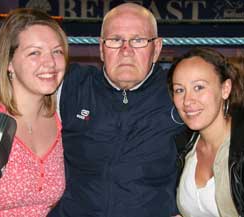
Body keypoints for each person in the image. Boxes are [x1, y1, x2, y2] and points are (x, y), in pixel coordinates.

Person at [49, 3, 184, 217]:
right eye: (115, 40)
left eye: (138, 40)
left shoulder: (179, 92)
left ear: (156, 49)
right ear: (102, 48)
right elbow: (11, 97)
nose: (126, 50)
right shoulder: (71, 85)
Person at [0, 8, 68, 216]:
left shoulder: (59, 115)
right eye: (34, 52)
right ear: (9, 62)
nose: (50, 63)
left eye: (57, 51)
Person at [167, 47, 244, 217]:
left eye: (199, 87)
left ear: (225, 89)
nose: (187, 100)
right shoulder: (183, 145)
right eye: (180, 90)